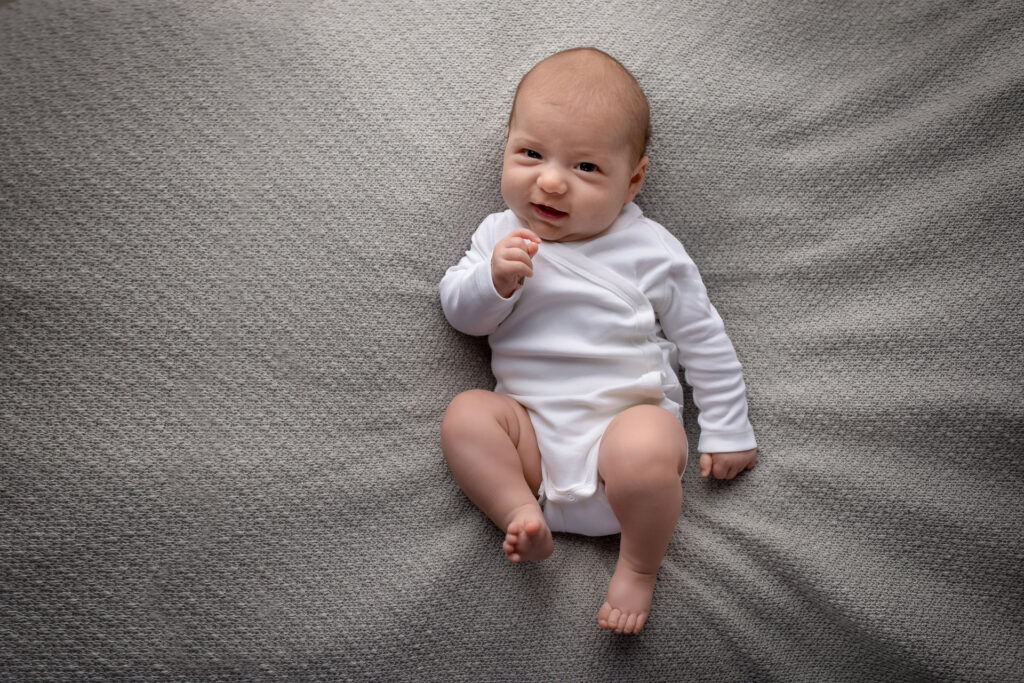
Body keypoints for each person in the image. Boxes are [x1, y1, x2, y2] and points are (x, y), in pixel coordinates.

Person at [439, 47, 758, 635]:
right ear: (505, 149)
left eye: (586, 168)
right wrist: (493, 283)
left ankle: (639, 564)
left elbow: (702, 338)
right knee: (466, 416)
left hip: (623, 449)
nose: (552, 181)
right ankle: (519, 515)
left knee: (645, 445)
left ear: (633, 180)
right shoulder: (498, 235)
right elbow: (460, 314)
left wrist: (728, 427)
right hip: (531, 446)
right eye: (531, 154)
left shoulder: (649, 248)